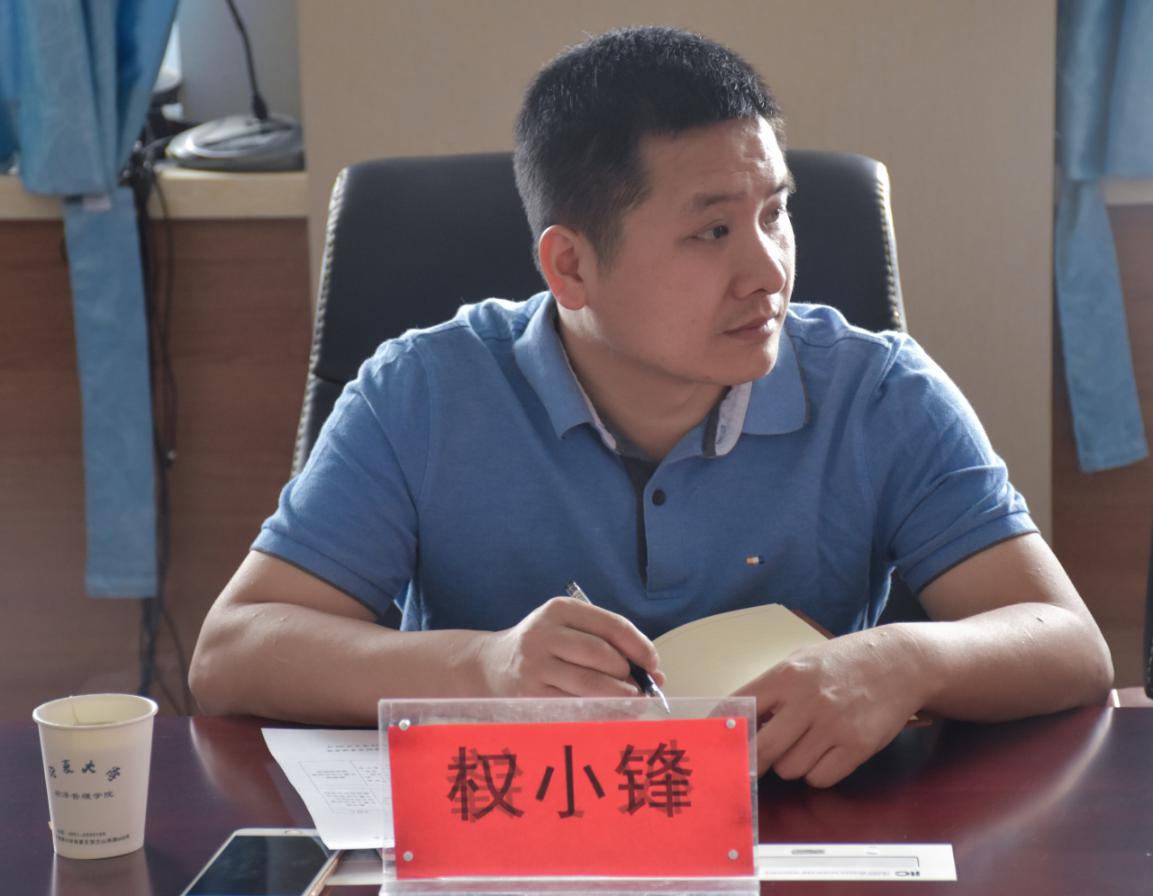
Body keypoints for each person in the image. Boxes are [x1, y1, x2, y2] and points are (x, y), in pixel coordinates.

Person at [190, 26, 1112, 788]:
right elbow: (232, 653)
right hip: (513, 840)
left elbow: (1069, 644)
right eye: (712, 230)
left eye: (774, 213)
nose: (768, 271)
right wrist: (482, 667)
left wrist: (906, 660)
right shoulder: (421, 392)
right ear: (570, 267)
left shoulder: (877, 391)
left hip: (800, 842)